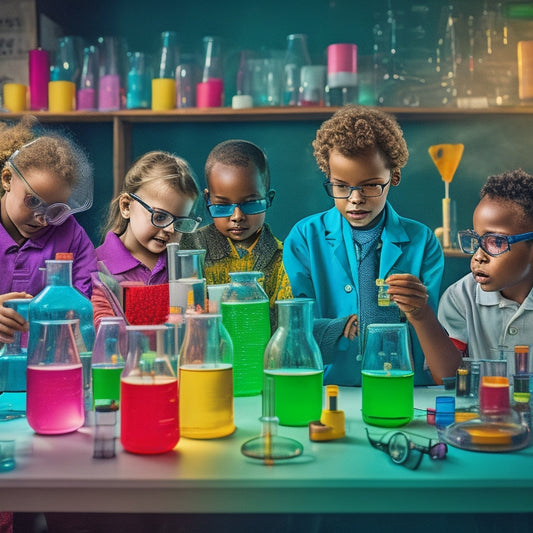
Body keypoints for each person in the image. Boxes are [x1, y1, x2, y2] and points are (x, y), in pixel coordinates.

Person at [283, 105, 450, 386]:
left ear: (393, 178)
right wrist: (337, 329)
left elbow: (431, 344)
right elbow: (294, 326)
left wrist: (419, 310)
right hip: (332, 388)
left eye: (371, 186)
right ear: (328, 176)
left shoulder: (422, 242)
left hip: (406, 388)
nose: (355, 198)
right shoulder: (304, 237)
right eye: (341, 186)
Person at [0, 116, 96, 344]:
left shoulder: (72, 237)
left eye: (56, 210)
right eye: (33, 201)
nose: (42, 219)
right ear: (7, 179)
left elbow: (83, 306)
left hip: (46, 362)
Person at [179, 139, 292, 326]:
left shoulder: (283, 258)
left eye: (250, 204)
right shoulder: (191, 249)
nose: (237, 216)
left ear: (269, 199)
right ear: (207, 199)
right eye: (222, 206)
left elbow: (285, 325)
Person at [91, 150, 201, 327]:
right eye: (159, 217)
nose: (170, 229)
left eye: (180, 222)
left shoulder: (183, 270)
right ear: (126, 206)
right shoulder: (94, 266)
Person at [438, 169, 533, 360]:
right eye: (476, 240)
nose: (478, 257)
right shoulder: (460, 297)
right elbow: (446, 376)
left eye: (496, 242)